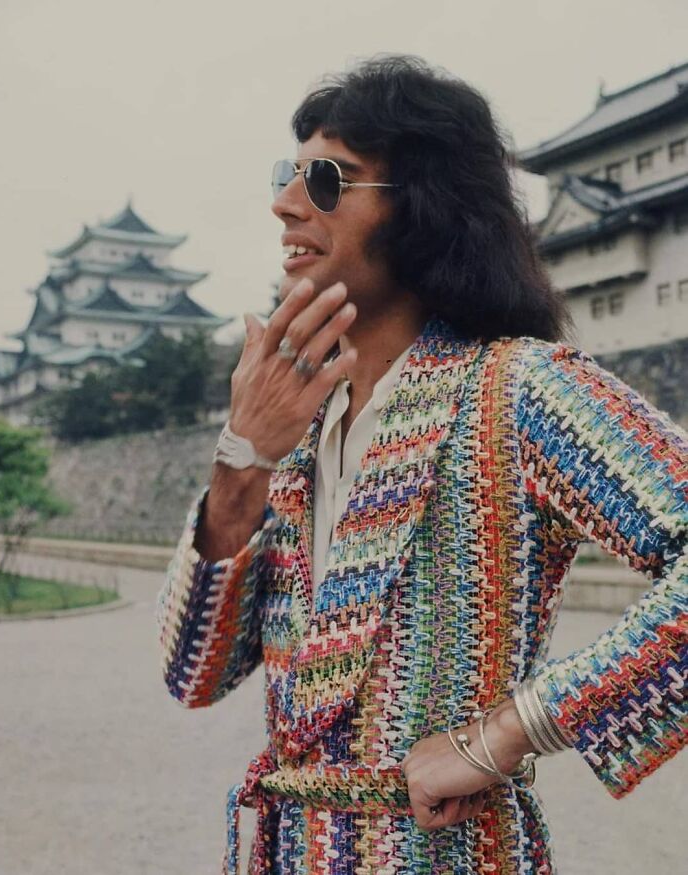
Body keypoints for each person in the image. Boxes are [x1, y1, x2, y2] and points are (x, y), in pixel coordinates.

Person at [157, 55, 687, 874]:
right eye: (287, 175)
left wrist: (507, 731)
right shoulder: (296, 426)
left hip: (445, 851)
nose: (285, 203)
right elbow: (193, 673)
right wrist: (243, 457)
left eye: (328, 178)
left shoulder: (520, 390)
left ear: (423, 206)